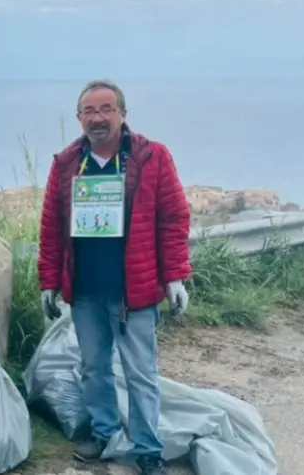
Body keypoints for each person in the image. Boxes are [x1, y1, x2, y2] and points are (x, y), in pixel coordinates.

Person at [37, 79, 191, 475]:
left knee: (141, 374)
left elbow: (174, 219)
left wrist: (175, 278)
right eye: (89, 111)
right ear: (79, 118)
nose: (98, 118)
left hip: (134, 291)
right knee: (93, 368)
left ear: (123, 114)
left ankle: (147, 449)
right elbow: (51, 228)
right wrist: (49, 282)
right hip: (85, 289)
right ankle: (104, 433)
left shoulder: (152, 157)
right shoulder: (67, 163)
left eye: (106, 109)